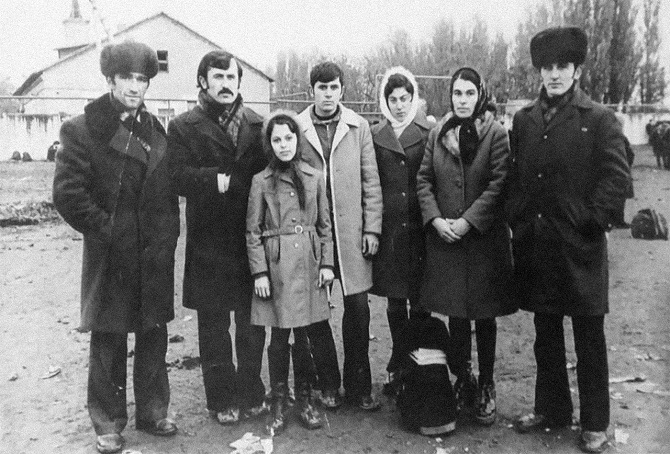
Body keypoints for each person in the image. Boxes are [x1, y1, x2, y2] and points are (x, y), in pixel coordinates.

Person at [506, 27, 631, 453]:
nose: (555, 74)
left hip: (579, 247)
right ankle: (552, 409)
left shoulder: (598, 119)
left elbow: (617, 178)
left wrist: (590, 221)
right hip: (538, 244)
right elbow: (515, 176)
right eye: (547, 67)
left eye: (563, 66)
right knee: (545, 329)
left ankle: (595, 422)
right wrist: (519, 218)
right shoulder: (524, 120)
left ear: (576, 70)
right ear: (539, 72)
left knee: (588, 334)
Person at [53, 41, 180, 454]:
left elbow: (166, 192)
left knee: (153, 332)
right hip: (112, 251)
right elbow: (68, 194)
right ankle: (108, 423)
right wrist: (106, 230)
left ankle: (153, 410)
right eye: (126, 78)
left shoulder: (155, 130)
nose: (134, 86)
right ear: (110, 80)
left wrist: (166, 237)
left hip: (153, 251)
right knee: (108, 337)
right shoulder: (83, 128)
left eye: (141, 79)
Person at [167, 51, 268, 425]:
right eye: (218, 76)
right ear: (203, 82)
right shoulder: (182, 126)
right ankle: (222, 399)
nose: (226, 84)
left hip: (248, 239)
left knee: (251, 321)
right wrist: (213, 179)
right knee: (213, 324)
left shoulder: (258, 125)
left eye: (231, 76)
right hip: (208, 241)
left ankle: (251, 391)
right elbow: (174, 175)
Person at [416, 67, 515, 426]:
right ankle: (464, 378)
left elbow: (499, 183)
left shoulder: (495, 132)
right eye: (457, 93)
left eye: (469, 93)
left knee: (484, 314)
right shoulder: (438, 132)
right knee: (456, 313)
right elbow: (424, 179)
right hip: (448, 240)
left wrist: (468, 220)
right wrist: (437, 220)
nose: (462, 100)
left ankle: (486, 383)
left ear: (480, 95)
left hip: (483, 240)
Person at [297, 61, 383, 411]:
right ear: (312, 91)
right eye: (322, 88)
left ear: (342, 90)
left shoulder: (358, 126)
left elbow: (371, 181)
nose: (328, 94)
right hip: (315, 234)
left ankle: (359, 384)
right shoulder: (300, 128)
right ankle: (327, 383)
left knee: (358, 308)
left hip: (351, 233)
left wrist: (372, 228)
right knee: (316, 311)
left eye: (334, 87)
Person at [246, 111, 335, 434]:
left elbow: (325, 226)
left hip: (308, 264)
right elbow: (253, 232)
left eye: (289, 138)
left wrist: (327, 264)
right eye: (277, 139)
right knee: (279, 337)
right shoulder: (261, 181)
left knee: (308, 335)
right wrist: (260, 274)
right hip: (277, 266)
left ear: (297, 140)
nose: (284, 145)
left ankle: (308, 398)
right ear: (269, 144)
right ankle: (279, 399)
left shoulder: (314, 176)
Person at [369, 67, 433, 395]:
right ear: (385, 101)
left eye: (404, 98)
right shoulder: (376, 134)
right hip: (392, 230)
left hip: (420, 229)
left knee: (421, 301)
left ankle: (419, 366)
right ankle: (398, 360)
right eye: (392, 99)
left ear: (413, 99)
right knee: (395, 303)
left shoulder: (428, 130)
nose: (398, 105)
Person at [395, 311, 457, 436]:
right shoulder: (439, 325)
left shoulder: (407, 327)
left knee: (407, 377)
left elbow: (395, 362)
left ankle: (415, 417)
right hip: (448, 417)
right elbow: (454, 363)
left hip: (420, 415)